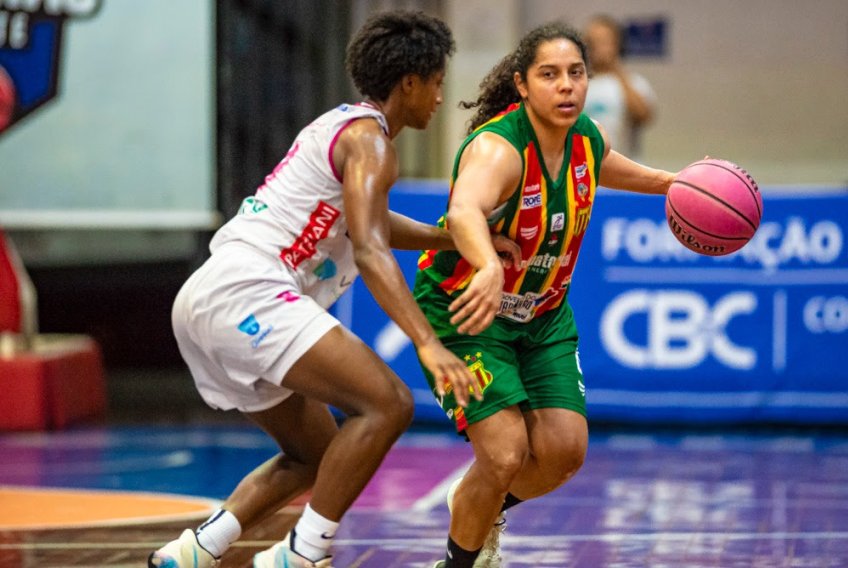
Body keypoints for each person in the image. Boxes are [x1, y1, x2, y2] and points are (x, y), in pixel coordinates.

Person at [148, 10, 519, 568]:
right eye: (438, 82)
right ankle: (303, 554)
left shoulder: (348, 127)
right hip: (249, 291)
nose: (442, 96)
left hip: (213, 293)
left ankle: (196, 550)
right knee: (387, 404)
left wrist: (453, 240)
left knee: (316, 454)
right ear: (410, 83)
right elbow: (369, 248)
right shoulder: (372, 143)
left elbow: (371, 224)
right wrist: (426, 342)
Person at [413, 22, 679, 568]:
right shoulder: (497, 149)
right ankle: (459, 560)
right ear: (522, 84)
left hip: (542, 316)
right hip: (469, 311)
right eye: (549, 75)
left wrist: (687, 185)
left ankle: (478, 504)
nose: (566, 86)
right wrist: (486, 263)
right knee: (505, 452)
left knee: (563, 453)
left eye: (575, 73)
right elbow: (464, 209)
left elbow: (632, 174)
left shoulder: (585, 139)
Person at [582, 14, 656, 161]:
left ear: (617, 44)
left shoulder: (634, 82)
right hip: (587, 170)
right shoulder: (579, 83)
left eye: (604, 41)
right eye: (593, 42)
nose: (598, 48)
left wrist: (616, 70)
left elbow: (644, 115)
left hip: (626, 169)